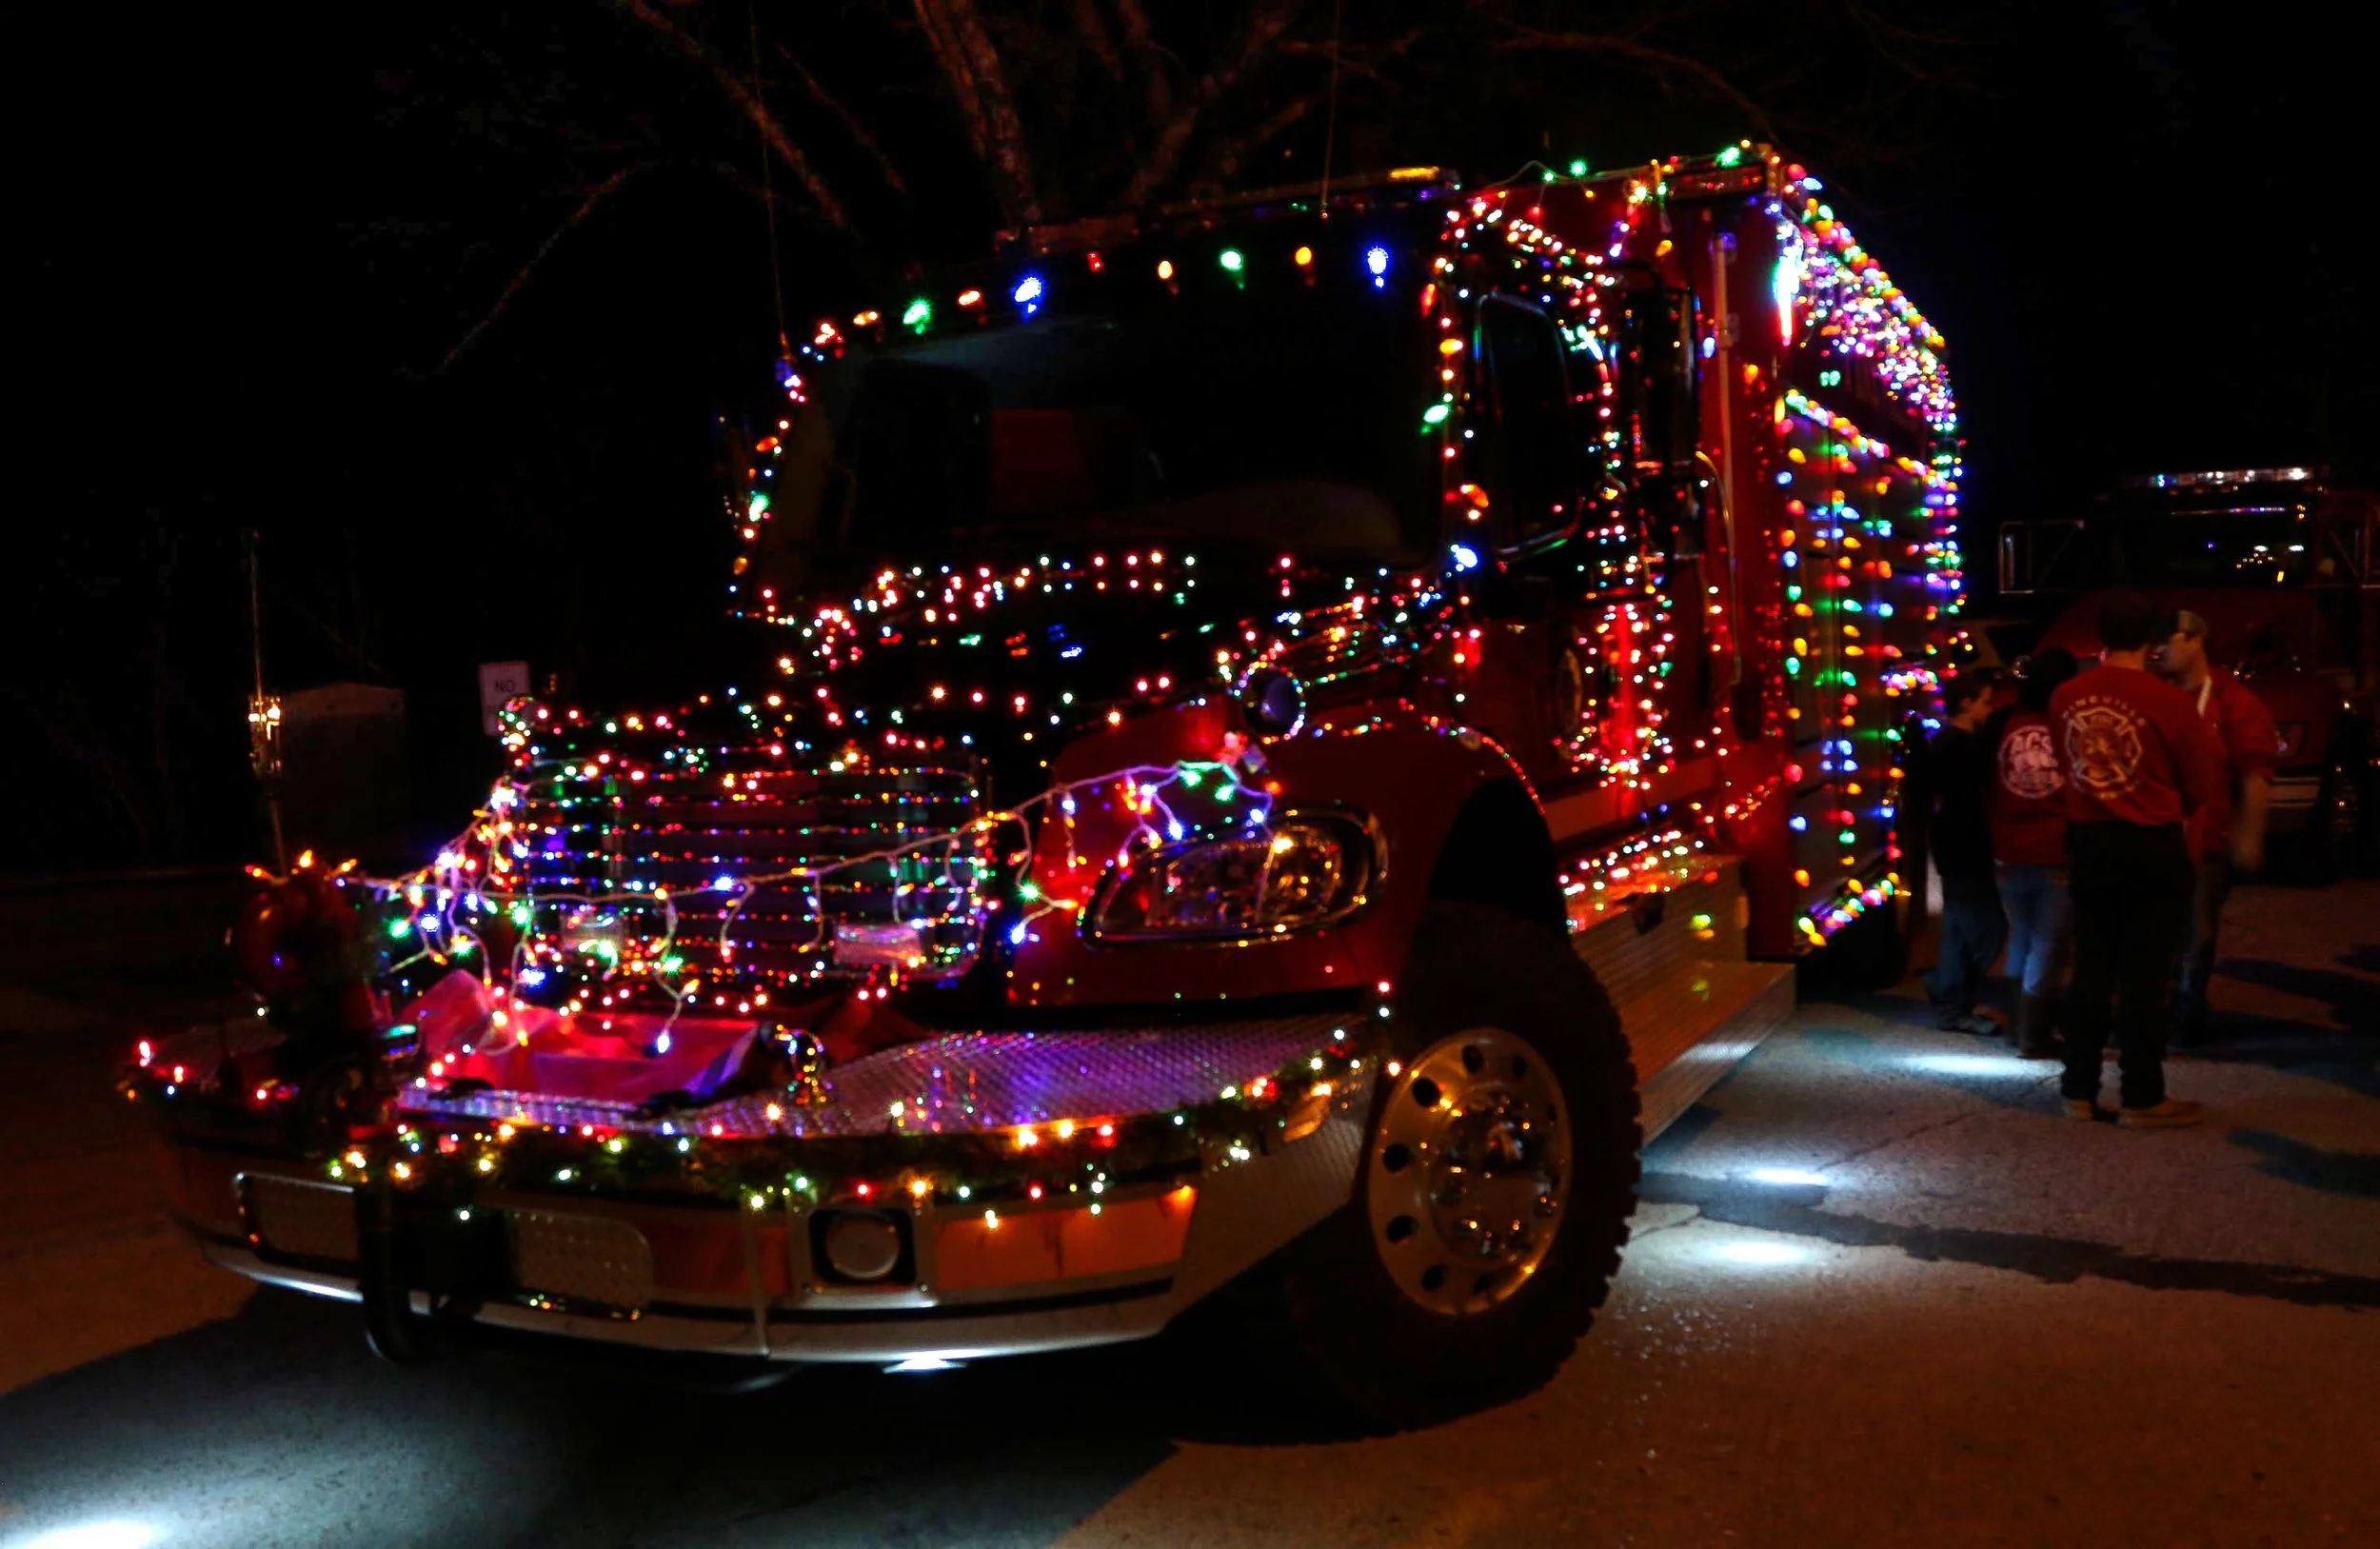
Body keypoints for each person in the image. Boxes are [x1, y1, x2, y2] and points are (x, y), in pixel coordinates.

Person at [2051, 591, 2226, 1128]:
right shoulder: (2168, 700)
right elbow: (2200, 780)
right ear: (2151, 642)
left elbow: (2067, 763)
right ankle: (2142, 1096)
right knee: (2145, 977)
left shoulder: (2065, 696)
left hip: (2090, 843)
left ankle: (2077, 1089)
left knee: (2091, 971)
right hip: (2151, 844)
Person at [2156, 608, 2278, 1045]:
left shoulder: (2233, 701)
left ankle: (2187, 1013)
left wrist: (2250, 833)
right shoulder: (2157, 694)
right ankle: (2157, 1010)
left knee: (2196, 933)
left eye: (2168, 640)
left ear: (2195, 641)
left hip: (2204, 845)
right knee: (2157, 932)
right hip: (2157, 840)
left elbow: (2255, 772)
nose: (2158, 650)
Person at [1986, 647, 2079, 1060]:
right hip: (2053, 847)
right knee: (2048, 942)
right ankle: (2034, 1033)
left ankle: (2016, 1025)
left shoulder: (2001, 725)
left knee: (2021, 935)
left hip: (2007, 848)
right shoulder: (2066, 729)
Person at [1921, 669, 2006, 1036]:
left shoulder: (1943, 744)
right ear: (1967, 703)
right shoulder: (1961, 748)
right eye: (1985, 702)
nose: (1989, 710)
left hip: (1954, 848)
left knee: (1959, 925)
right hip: (1966, 849)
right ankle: (1952, 993)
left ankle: (1951, 1000)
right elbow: (1969, 803)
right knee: (1984, 928)